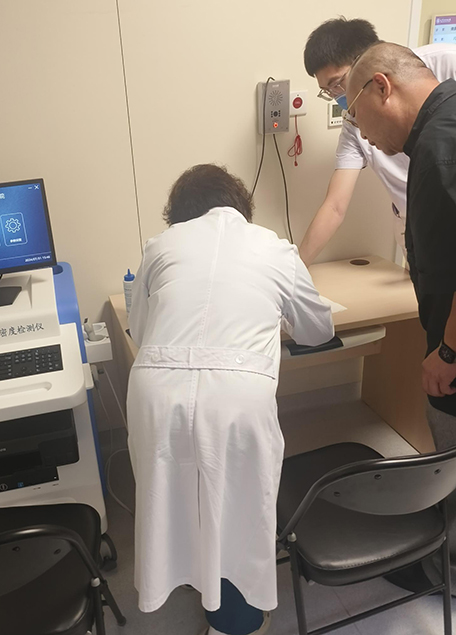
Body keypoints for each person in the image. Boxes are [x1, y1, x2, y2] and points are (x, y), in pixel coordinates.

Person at [126, 164, 334, 635]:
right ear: (241, 206)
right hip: (237, 395)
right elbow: (318, 330)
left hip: (156, 389)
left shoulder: (160, 246)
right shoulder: (275, 248)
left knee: (171, 495)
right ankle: (234, 622)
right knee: (239, 508)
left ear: (178, 214)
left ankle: (193, 584)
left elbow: (139, 329)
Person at [346, 41, 456, 591]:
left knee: (452, 459)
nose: (362, 135)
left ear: (382, 87)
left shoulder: (438, 148)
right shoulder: (447, 120)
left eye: (355, 115)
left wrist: (448, 350)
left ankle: (444, 572)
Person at [299, 17, 456, 267]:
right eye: (328, 91)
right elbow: (335, 205)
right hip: (414, 219)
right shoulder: (354, 123)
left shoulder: (446, 63)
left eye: (337, 83)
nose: (338, 96)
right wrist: (295, 268)